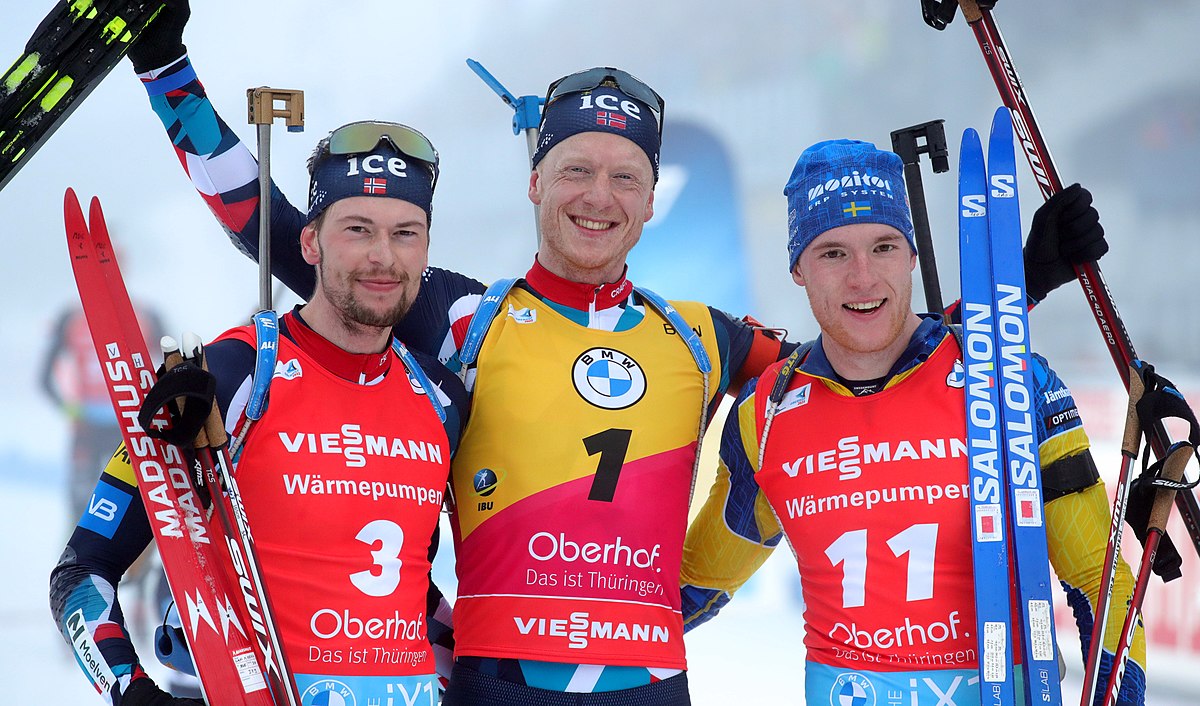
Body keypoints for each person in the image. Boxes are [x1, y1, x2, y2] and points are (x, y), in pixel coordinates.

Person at [120, 5, 1110, 704]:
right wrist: (170, 75)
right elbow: (279, 229)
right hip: (494, 682)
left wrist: (1017, 283)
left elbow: (863, 353)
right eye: (576, 169)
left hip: (651, 685)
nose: (599, 193)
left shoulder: (703, 337)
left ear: (649, 197)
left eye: (623, 175)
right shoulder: (466, 318)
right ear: (536, 183)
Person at [679, 140, 1145, 706]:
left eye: (883, 247)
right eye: (832, 253)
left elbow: (1100, 579)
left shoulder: (1010, 384)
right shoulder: (765, 413)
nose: (863, 277)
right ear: (798, 268)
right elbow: (698, 582)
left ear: (912, 256)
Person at [49, 121, 469, 706]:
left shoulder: (442, 399)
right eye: (357, 230)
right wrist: (130, 689)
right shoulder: (235, 374)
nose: (383, 256)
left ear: (425, 249)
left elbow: (407, 588)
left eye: (405, 233)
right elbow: (82, 571)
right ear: (310, 243)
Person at [41, 301, 164, 527]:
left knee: (130, 504)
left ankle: (133, 561)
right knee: (80, 504)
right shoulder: (71, 318)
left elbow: (169, 368)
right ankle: (75, 557)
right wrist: (70, 408)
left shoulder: (147, 315)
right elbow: (44, 379)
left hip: (126, 429)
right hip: (88, 428)